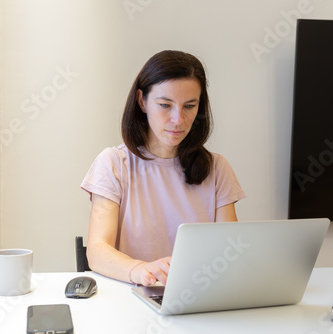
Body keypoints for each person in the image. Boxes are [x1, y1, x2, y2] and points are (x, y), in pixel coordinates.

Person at [81, 50, 245, 286]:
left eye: (189, 106)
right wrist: (141, 270)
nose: (178, 119)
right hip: (132, 295)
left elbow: (229, 252)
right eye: (165, 105)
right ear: (142, 101)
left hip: (199, 296)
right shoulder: (114, 163)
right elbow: (97, 251)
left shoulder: (217, 168)